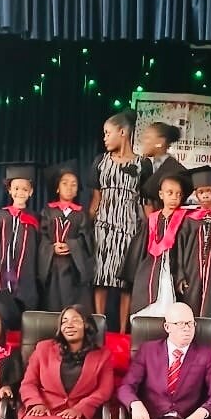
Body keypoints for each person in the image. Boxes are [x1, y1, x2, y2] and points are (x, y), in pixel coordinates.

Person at [89, 109, 150, 326]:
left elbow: (146, 202)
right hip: (103, 227)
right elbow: (95, 201)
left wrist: (152, 231)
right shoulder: (100, 161)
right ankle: (100, 326)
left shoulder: (143, 164)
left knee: (127, 282)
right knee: (101, 278)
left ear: (122, 132)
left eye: (108, 133)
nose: (105, 138)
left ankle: (123, 332)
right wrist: (86, 228)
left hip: (130, 227)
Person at [124, 159, 190, 324]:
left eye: (178, 194)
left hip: (174, 269)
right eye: (170, 192)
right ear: (161, 195)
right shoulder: (153, 219)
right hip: (153, 268)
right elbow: (141, 249)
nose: (174, 197)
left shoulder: (186, 220)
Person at [175, 166, 211, 331]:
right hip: (192, 272)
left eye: (209, 191)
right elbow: (180, 249)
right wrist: (181, 275)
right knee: (192, 304)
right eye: (201, 192)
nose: (205, 195)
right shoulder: (189, 220)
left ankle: (210, 335)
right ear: (196, 194)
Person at [38, 160, 94, 313]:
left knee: (73, 306)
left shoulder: (81, 213)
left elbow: (86, 240)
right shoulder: (48, 211)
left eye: (74, 184)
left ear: (77, 191)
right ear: (57, 188)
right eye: (65, 183)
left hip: (73, 268)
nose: (69, 188)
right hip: (52, 267)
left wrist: (72, 245)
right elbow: (42, 237)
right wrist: (51, 248)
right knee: (52, 304)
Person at [0, 162, 42, 310]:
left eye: (25, 189)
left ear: (31, 192)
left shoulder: (35, 218)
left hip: (27, 272)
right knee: (3, 303)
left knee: (26, 302)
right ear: (9, 190)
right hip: (4, 267)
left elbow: (40, 245)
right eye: (16, 188)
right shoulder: (1, 215)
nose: (20, 192)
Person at [138, 121, 181, 200]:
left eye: (147, 137)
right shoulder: (144, 165)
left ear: (160, 142)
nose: (143, 141)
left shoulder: (175, 170)